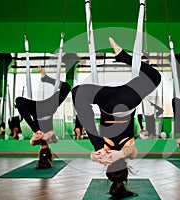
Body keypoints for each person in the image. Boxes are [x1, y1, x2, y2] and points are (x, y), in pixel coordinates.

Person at [72, 37, 161, 199]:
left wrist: (98, 154)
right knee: (77, 92)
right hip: (124, 100)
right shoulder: (126, 152)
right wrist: (115, 154)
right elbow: (130, 151)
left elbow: (93, 156)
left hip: (112, 101)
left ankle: (122, 56)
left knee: (155, 77)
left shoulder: (104, 153)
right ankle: (122, 56)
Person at [15, 66, 71, 169]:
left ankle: (46, 78)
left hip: (42, 110)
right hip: (44, 109)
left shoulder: (44, 140)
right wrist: (41, 134)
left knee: (67, 87)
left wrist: (37, 133)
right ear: (39, 152)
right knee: (18, 100)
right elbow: (49, 137)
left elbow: (34, 141)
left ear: (50, 152)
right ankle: (46, 78)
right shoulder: (47, 140)